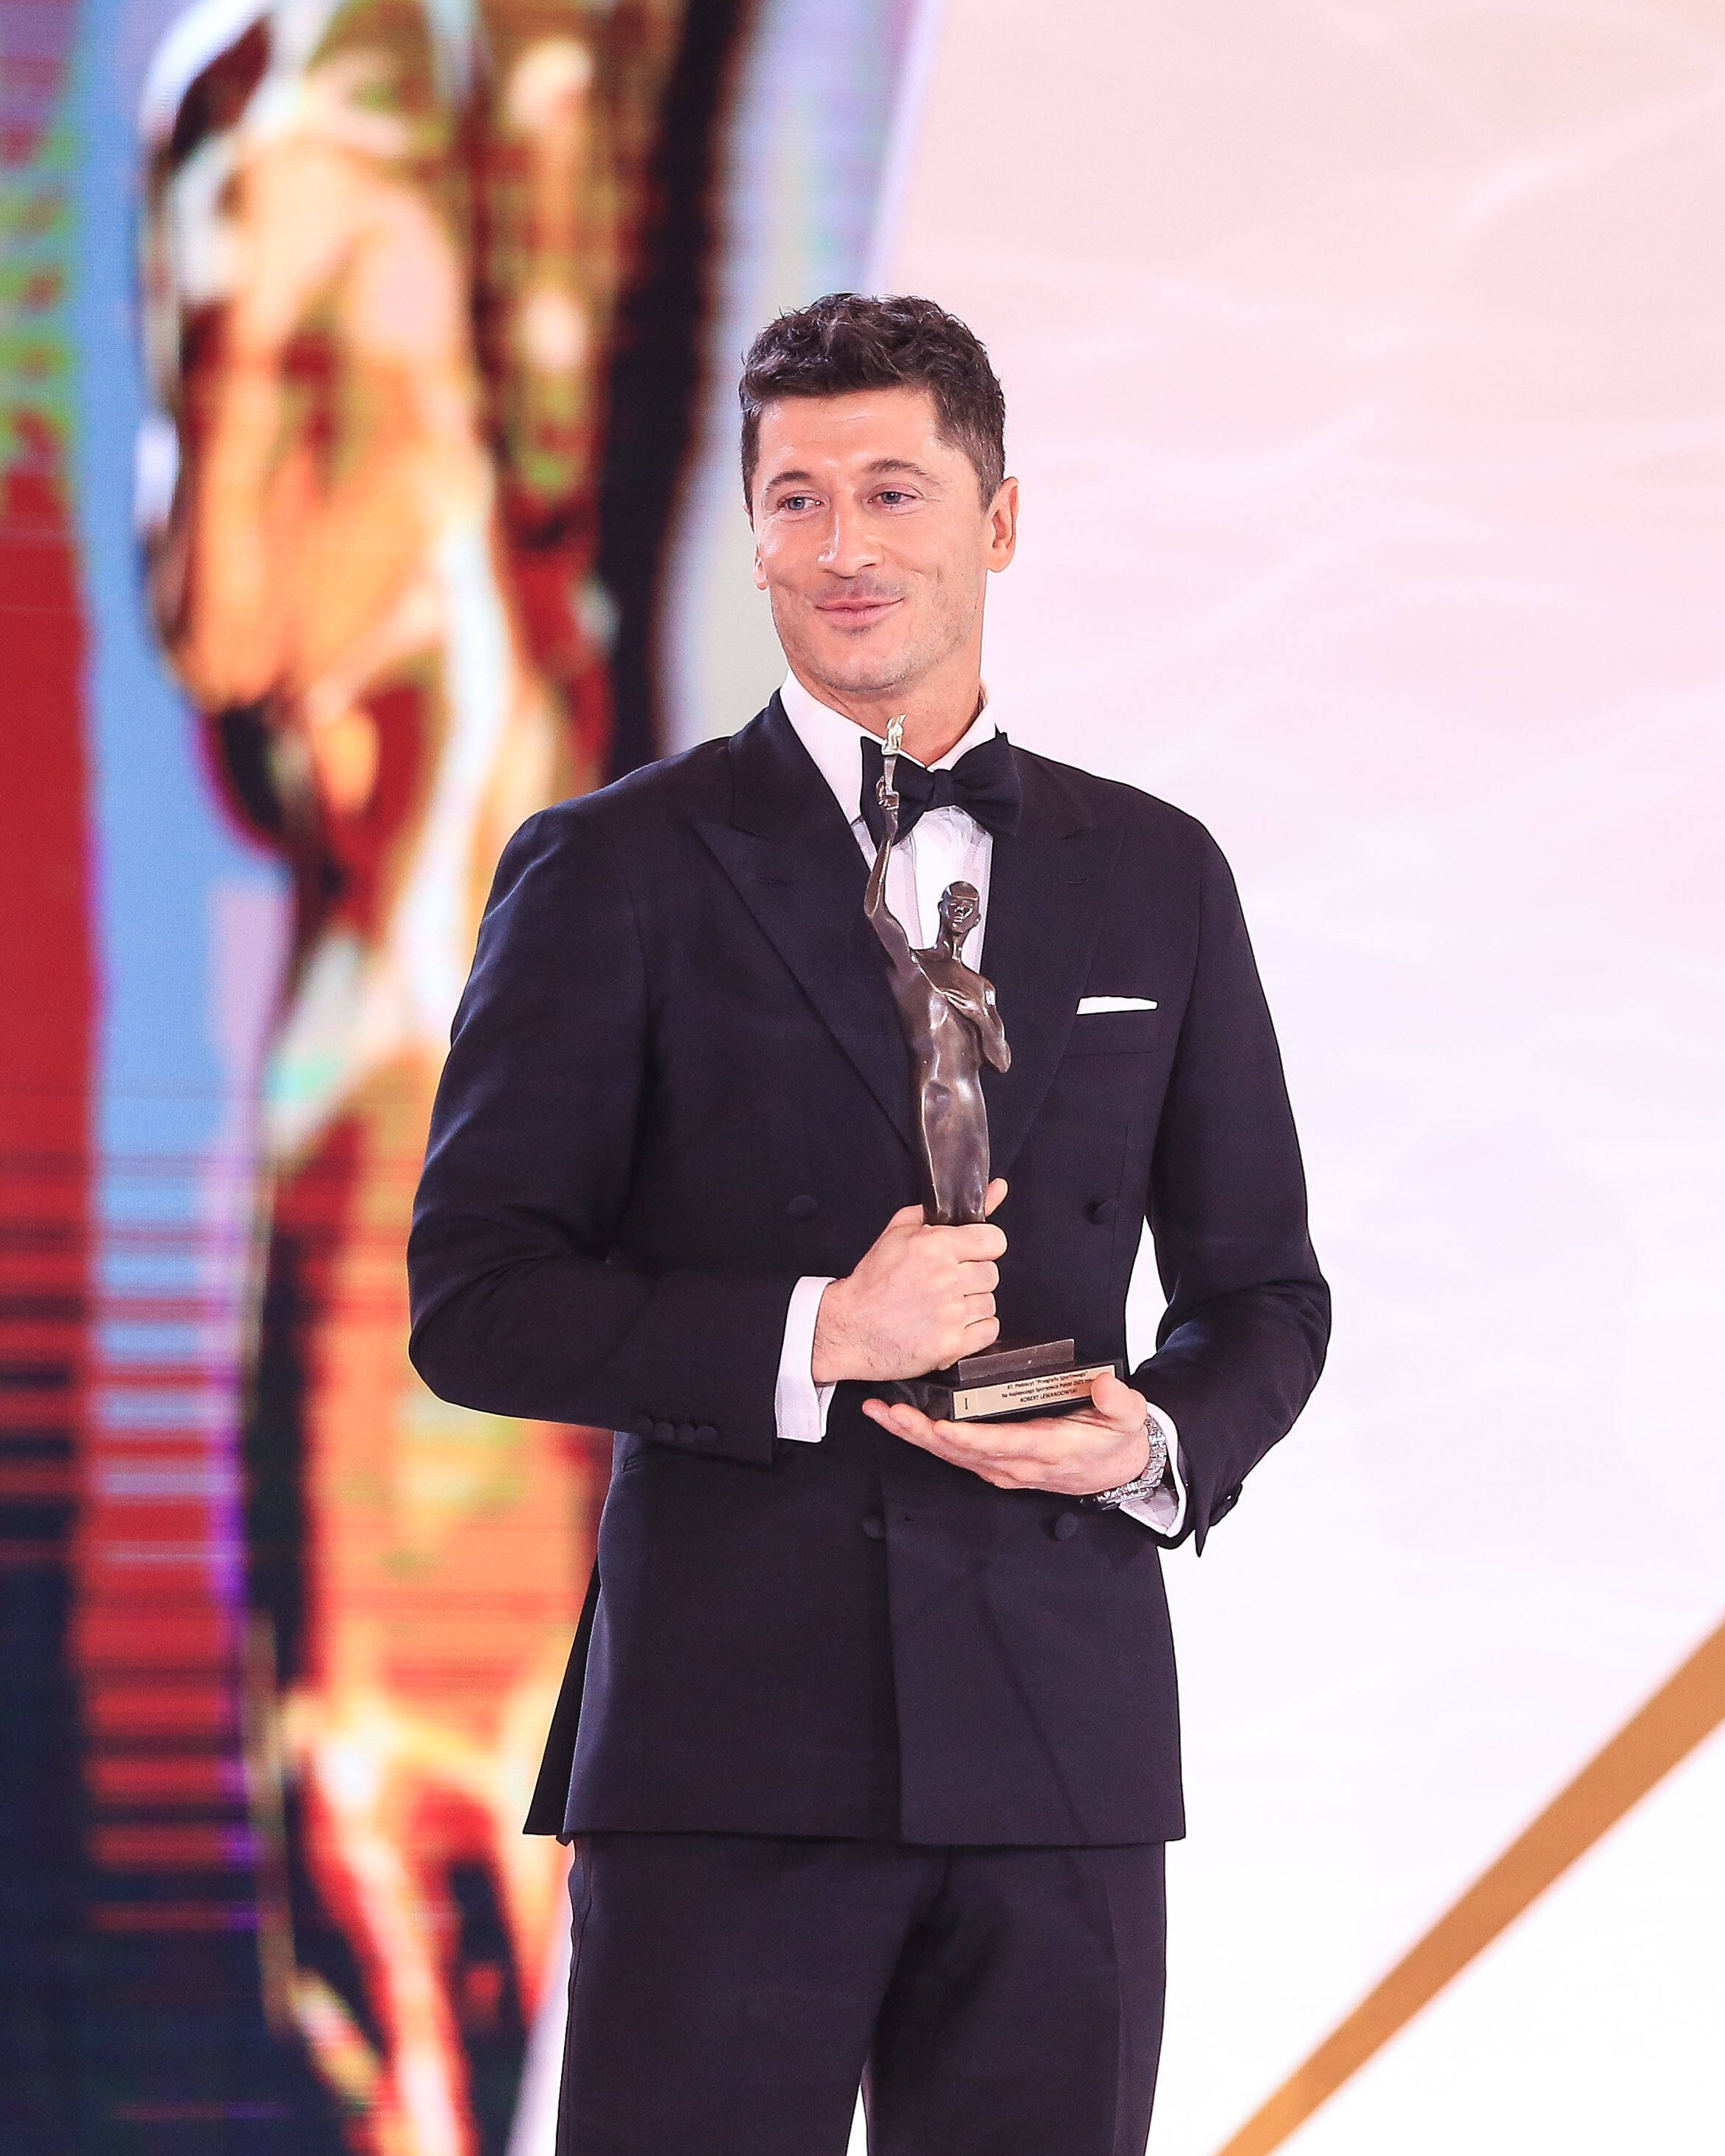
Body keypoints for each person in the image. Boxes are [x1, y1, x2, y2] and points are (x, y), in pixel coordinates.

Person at [408, 292, 1330, 2155]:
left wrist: (1149, 1444)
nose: (843, 546)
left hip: (1059, 1748)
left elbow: (1263, 1295)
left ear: (997, 519)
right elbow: (475, 1299)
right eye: (796, 499)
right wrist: (817, 1332)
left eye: (893, 492)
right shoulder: (611, 867)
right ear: (749, 536)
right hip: (723, 1745)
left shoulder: (1156, 872)